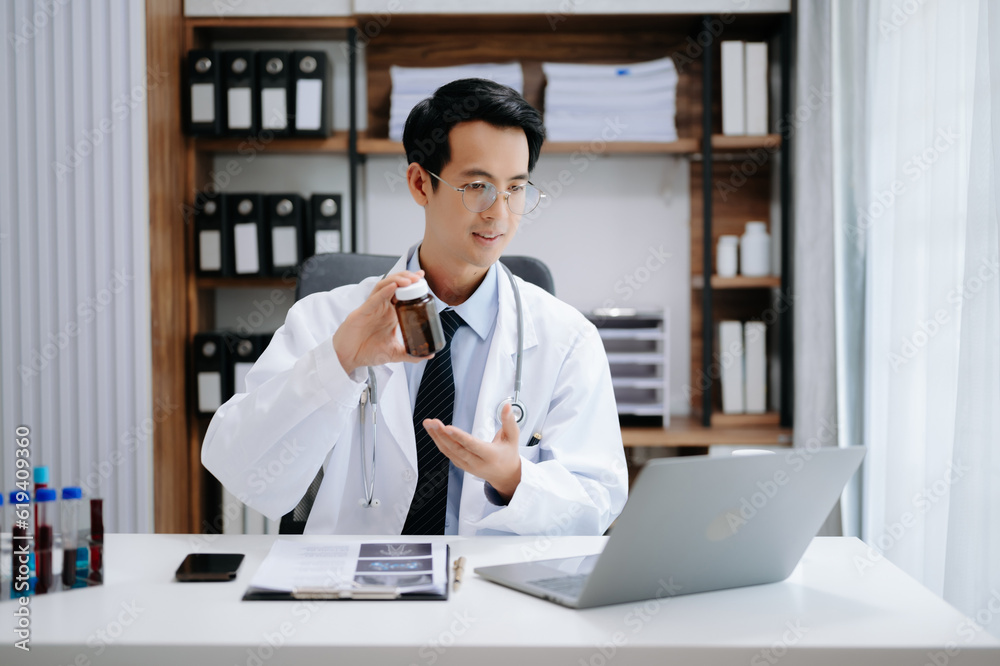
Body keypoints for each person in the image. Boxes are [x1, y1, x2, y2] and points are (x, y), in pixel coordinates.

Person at [202, 78, 628, 536]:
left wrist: (513, 478)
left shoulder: (568, 338)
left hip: (490, 595)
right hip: (353, 590)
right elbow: (238, 468)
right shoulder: (326, 318)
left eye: (516, 189)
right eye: (478, 186)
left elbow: (597, 503)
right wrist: (338, 361)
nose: (499, 214)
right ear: (421, 183)